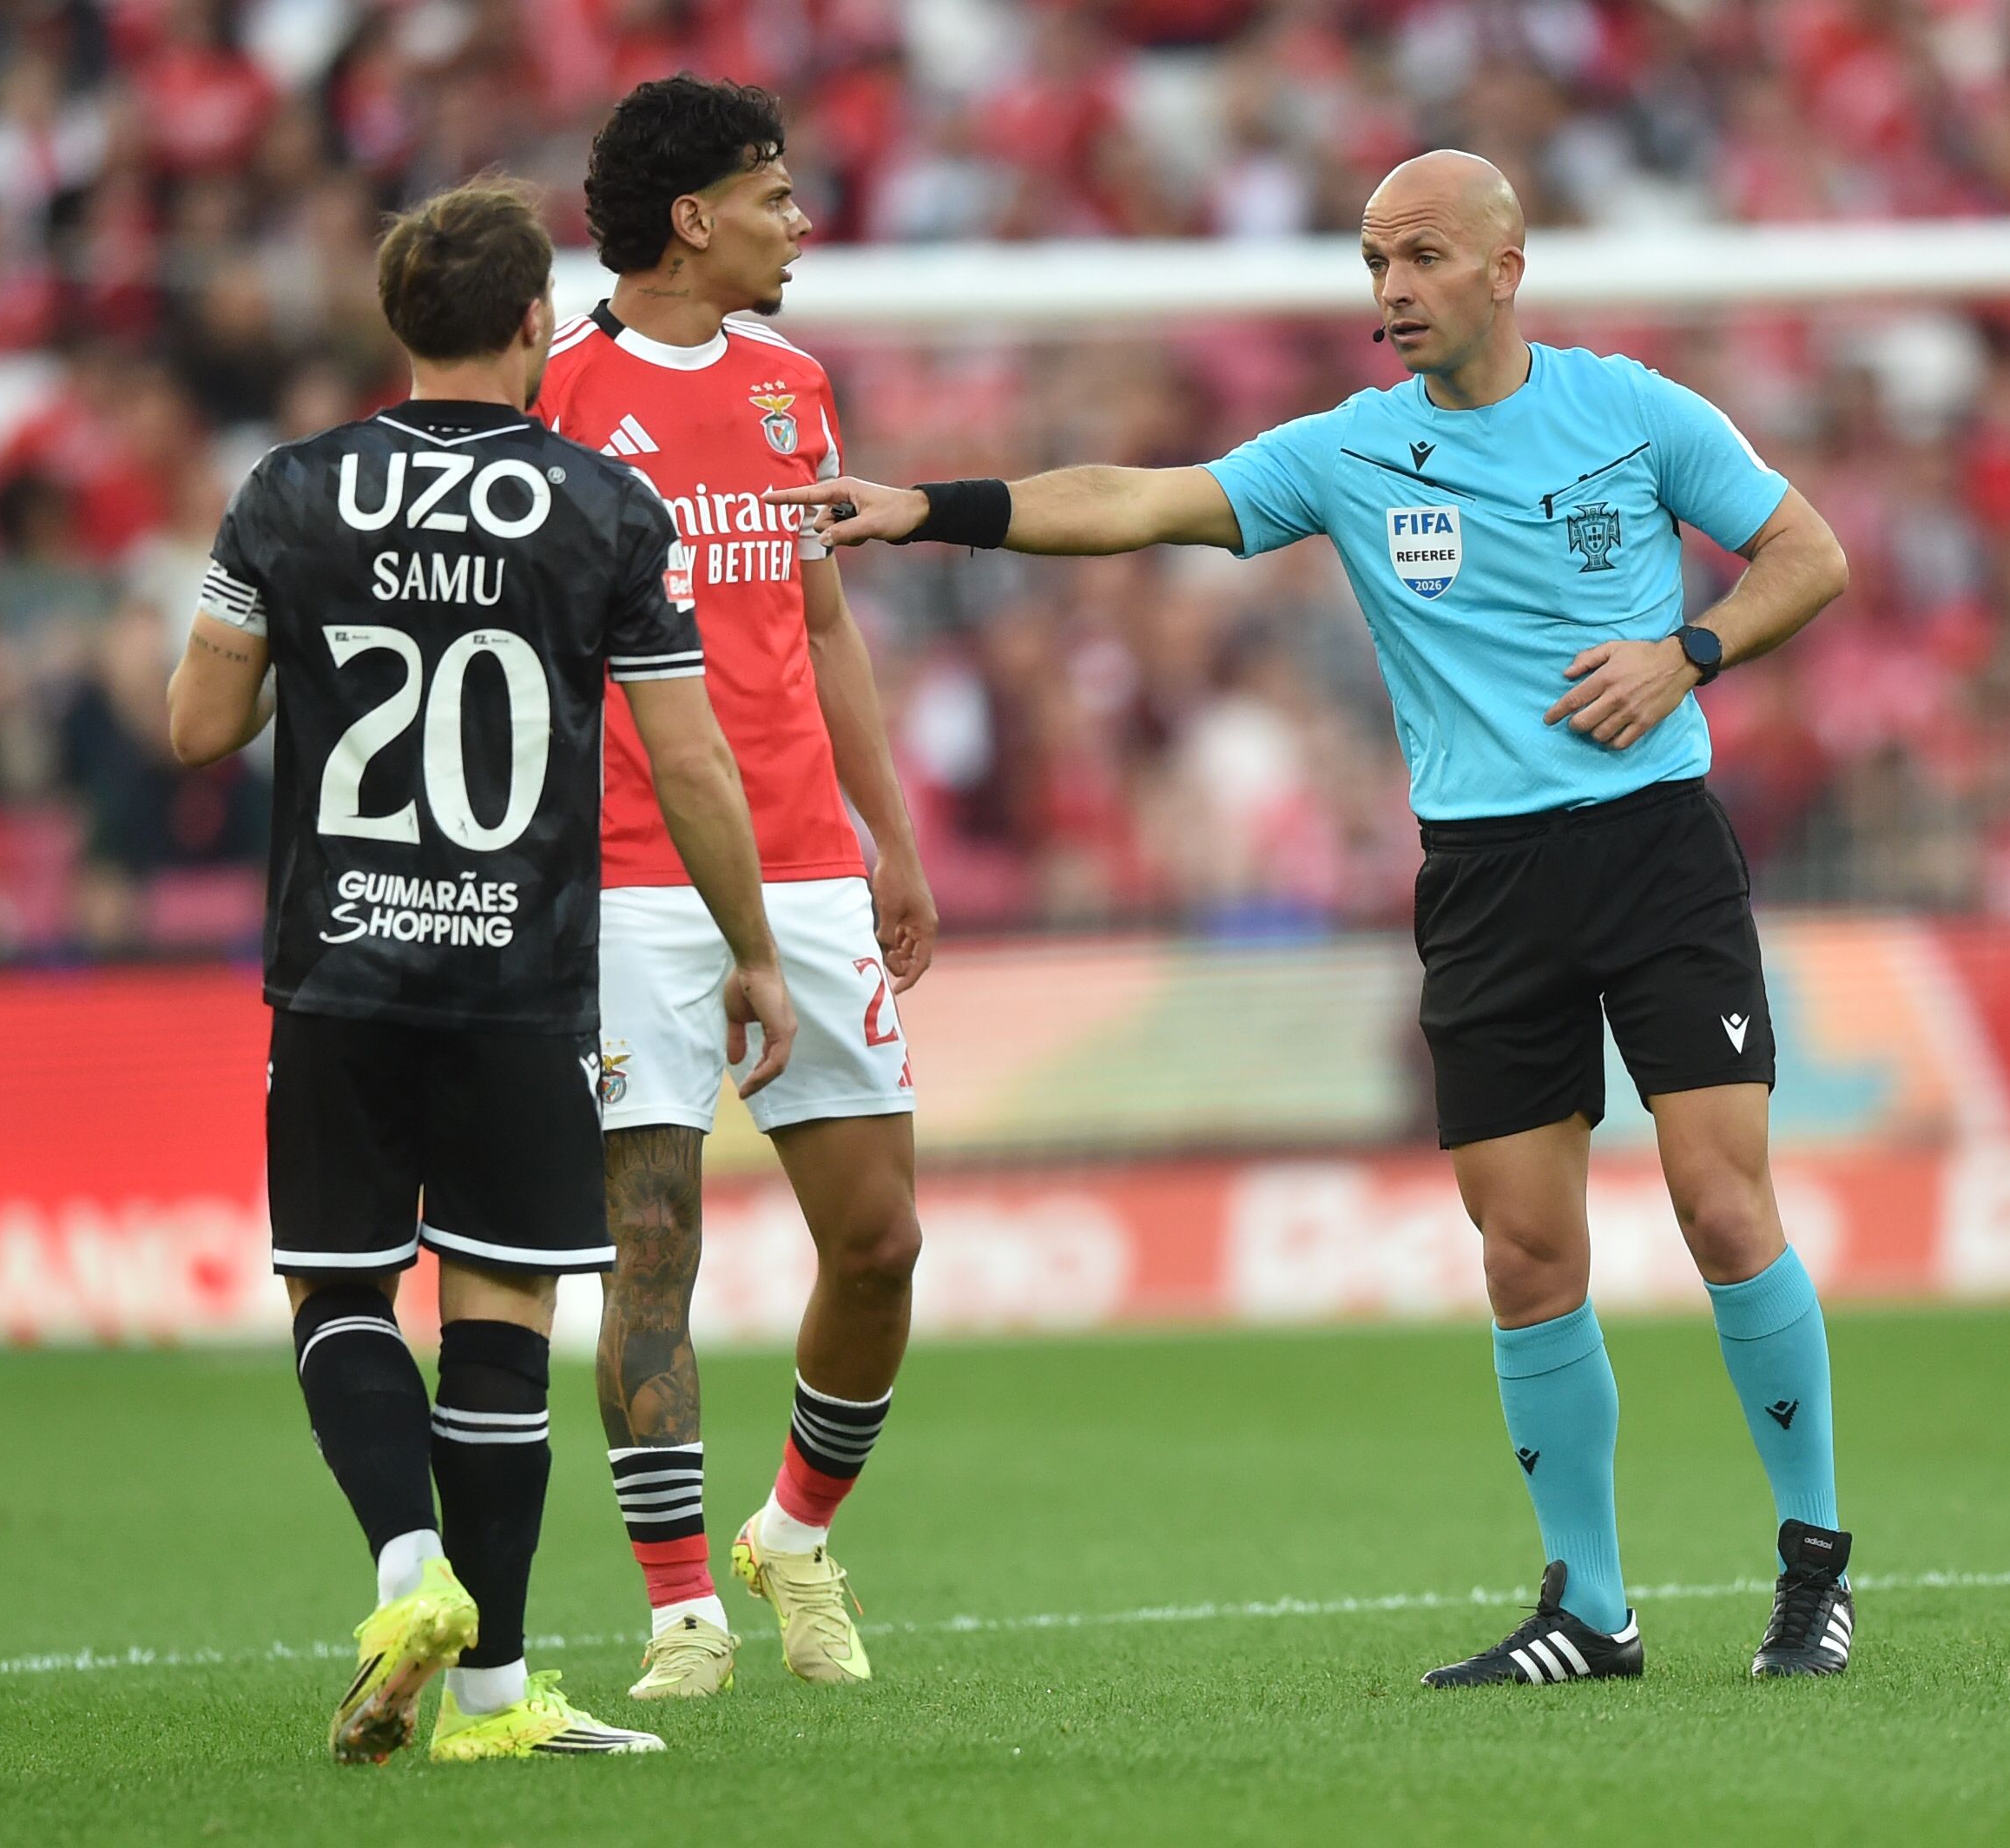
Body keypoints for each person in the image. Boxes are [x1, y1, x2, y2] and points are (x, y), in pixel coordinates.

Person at [773, 150, 1861, 1686]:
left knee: (1720, 1202)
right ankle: (1592, 1609)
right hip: (1482, 878)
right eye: (1371, 262)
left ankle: (1813, 1570)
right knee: (1526, 1250)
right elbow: (1138, 502)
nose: (1391, 290)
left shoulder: (1637, 411)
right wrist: (927, 506)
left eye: (1419, 257)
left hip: (1652, 849)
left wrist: (1687, 650)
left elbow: (1810, 554)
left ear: (1505, 265)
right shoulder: (1353, 453)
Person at [165, 177, 795, 1763]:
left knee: (340, 1288)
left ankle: (403, 1574)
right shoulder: (602, 509)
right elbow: (692, 759)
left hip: (340, 970)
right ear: (533, 322)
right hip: (519, 976)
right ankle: (497, 1701)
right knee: (503, 1306)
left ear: (396, 321)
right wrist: (758, 950)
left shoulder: (292, 493)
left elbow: (195, 725)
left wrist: (310, 649)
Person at [541, 75, 934, 1701]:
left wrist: (889, 833)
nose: (802, 222)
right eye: (776, 195)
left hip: (808, 863)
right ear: (692, 217)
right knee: (651, 1246)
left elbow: (823, 626)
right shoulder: (555, 394)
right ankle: (681, 1606)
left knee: (882, 1239)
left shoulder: (792, 385)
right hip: (631, 877)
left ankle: (796, 1532)